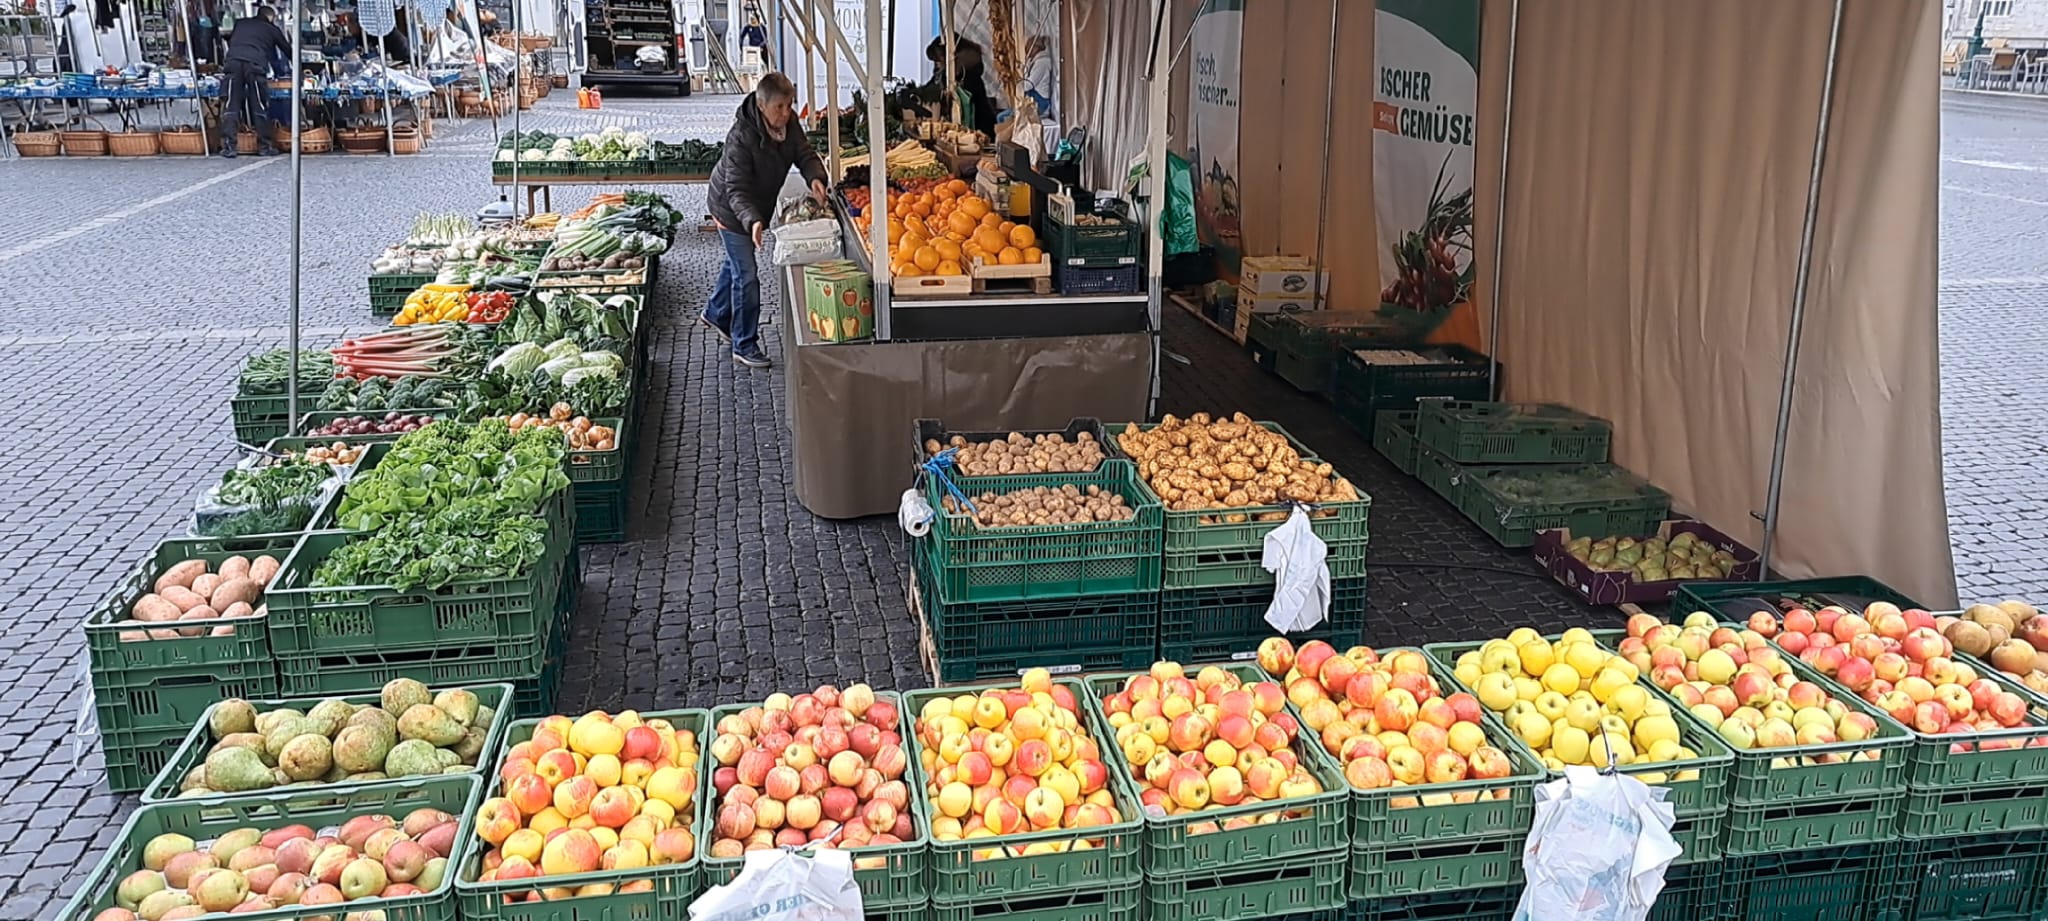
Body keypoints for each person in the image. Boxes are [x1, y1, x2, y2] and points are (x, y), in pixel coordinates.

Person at [704, 72, 830, 368]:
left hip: (756, 206)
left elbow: (804, 152)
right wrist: (753, 221)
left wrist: (815, 178)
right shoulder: (740, 138)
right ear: (762, 105)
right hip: (730, 208)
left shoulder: (790, 124)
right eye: (780, 107)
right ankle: (744, 343)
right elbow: (736, 190)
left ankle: (715, 312)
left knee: (735, 264)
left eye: (790, 105)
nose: (786, 113)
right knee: (746, 275)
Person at [220, 4, 291, 158]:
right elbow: (287, 49)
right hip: (255, 65)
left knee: (231, 105)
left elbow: (231, 40)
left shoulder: (241, 23)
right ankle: (264, 147)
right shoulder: (272, 29)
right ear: (271, 17)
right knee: (259, 105)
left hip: (233, 62)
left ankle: (229, 147)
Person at [924, 33, 997, 133]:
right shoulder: (945, 74)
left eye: (938, 60)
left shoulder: (969, 78)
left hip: (980, 130)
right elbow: (930, 88)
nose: (937, 65)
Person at [1018, 35, 1055, 120]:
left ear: (1035, 48)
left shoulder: (1042, 63)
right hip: (1034, 100)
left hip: (1040, 103)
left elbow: (1028, 85)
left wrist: (1018, 81)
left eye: (1028, 48)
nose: (1027, 51)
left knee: (1004, 117)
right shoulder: (1035, 61)